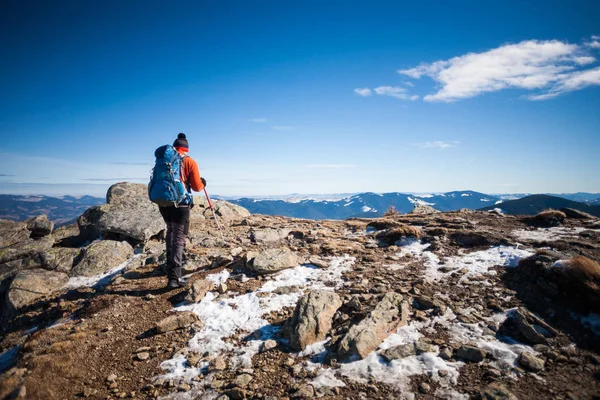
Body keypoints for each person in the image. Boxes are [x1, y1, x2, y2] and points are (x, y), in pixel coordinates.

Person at [159, 133, 206, 289]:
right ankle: (174, 278)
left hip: (164, 203)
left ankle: (169, 267)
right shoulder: (189, 162)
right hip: (181, 205)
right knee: (179, 238)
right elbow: (198, 187)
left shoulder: (165, 162)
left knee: (171, 232)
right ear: (186, 148)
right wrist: (203, 183)